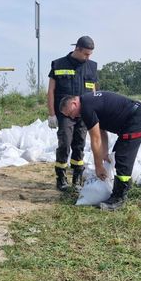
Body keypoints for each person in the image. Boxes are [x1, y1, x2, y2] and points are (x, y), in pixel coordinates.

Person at [59, 91, 141, 210]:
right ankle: (121, 189)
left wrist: (98, 166)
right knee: (115, 155)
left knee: (122, 158)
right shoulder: (89, 102)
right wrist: (104, 153)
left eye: (71, 113)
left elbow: (95, 139)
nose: (73, 117)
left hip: (137, 118)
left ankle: (119, 198)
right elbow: (101, 132)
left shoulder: (86, 108)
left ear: (74, 103)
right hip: (135, 117)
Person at [47, 36, 98, 191]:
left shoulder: (92, 67)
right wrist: (51, 114)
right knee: (65, 143)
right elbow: (51, 91)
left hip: (84, 113)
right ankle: (61, 177)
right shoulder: (58, 64)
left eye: (90, 54)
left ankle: (77, 177)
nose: (88, 57)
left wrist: (95, 112)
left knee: (79, 145)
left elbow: (94, 91)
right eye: (86, 54)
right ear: (77, 49)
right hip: (65, 114)